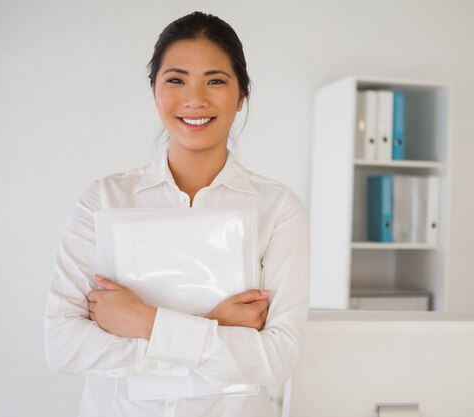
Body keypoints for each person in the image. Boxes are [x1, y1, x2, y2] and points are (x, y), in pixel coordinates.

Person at [44, 11, 309, 417]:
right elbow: (63, 345)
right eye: (176, 79)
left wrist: (143, 321)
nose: (195, 99)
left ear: (241, 96)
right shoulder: (104, 199)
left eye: (216, 81)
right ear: (154, 91)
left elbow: (275, 360)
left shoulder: (277, 209)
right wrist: (213, 329)